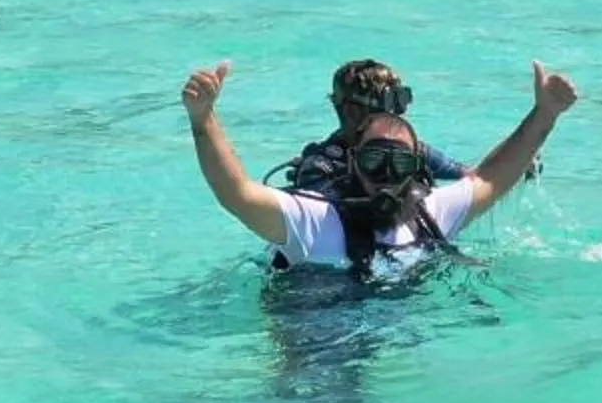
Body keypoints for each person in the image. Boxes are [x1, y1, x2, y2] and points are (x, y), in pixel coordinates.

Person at [181, 57, 579, 272]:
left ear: (415, 165)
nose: (387, 176)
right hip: (318, 320)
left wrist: (545, 113)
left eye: (402, 162)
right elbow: (237, 192)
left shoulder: (430, 212)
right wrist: (203, 119)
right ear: (354, 163)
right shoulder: (315, 220)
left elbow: (491, 176)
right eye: (374, 161)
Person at [281, 57, 467, 198]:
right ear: (351, 112)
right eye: (386, 110)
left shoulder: (414, 152)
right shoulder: (321, 169)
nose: (395, 120)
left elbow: (472, 178)